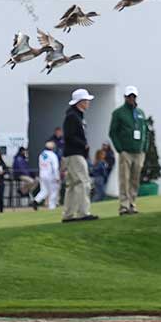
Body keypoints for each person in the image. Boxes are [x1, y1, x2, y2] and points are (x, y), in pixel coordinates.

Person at [109, 85, 149, 215]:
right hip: (126, 151)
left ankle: (132, 203)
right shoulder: (118, 113)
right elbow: (113, 133)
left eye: (133, 96)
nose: (132, 98)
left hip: (139, 151)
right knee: (124, 179)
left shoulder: (140, 113)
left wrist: (144, 147)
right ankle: (124, 206)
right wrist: (120, 149)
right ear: (125, 97)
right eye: (129, 96)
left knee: (135, 180)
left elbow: (146, 132)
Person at [61, 88, 97, 222]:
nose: (88, 103)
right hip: (75, 153)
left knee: (71, 185)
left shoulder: (74, 115)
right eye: (86, 100)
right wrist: (84, 144)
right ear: (80, 102)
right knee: (83, 182)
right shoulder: (73, 116)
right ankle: (83, 212)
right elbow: (70, 136)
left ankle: (68, 214)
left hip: (71, 154)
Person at [36, 140, 61, 210]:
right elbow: (55, 167)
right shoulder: (53, 155)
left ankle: (36, 200)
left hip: (42, 174)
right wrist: (57, 177)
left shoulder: (42, 154)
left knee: (44, 190)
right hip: (51, 175)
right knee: (53, 191)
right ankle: (51, 206)